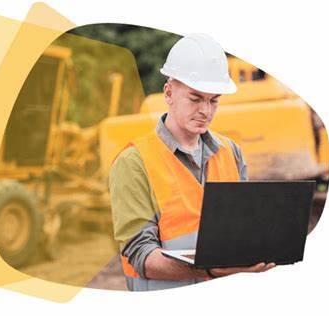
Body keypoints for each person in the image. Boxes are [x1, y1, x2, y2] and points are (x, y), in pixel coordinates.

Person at [109, 34, 276, 291]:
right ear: (169, 93)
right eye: (195, 98)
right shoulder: (134, 162)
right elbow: (141, 256)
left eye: (214, 100)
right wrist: (211, 269)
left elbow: (242, 232)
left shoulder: (231, 152)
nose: (205, 111)